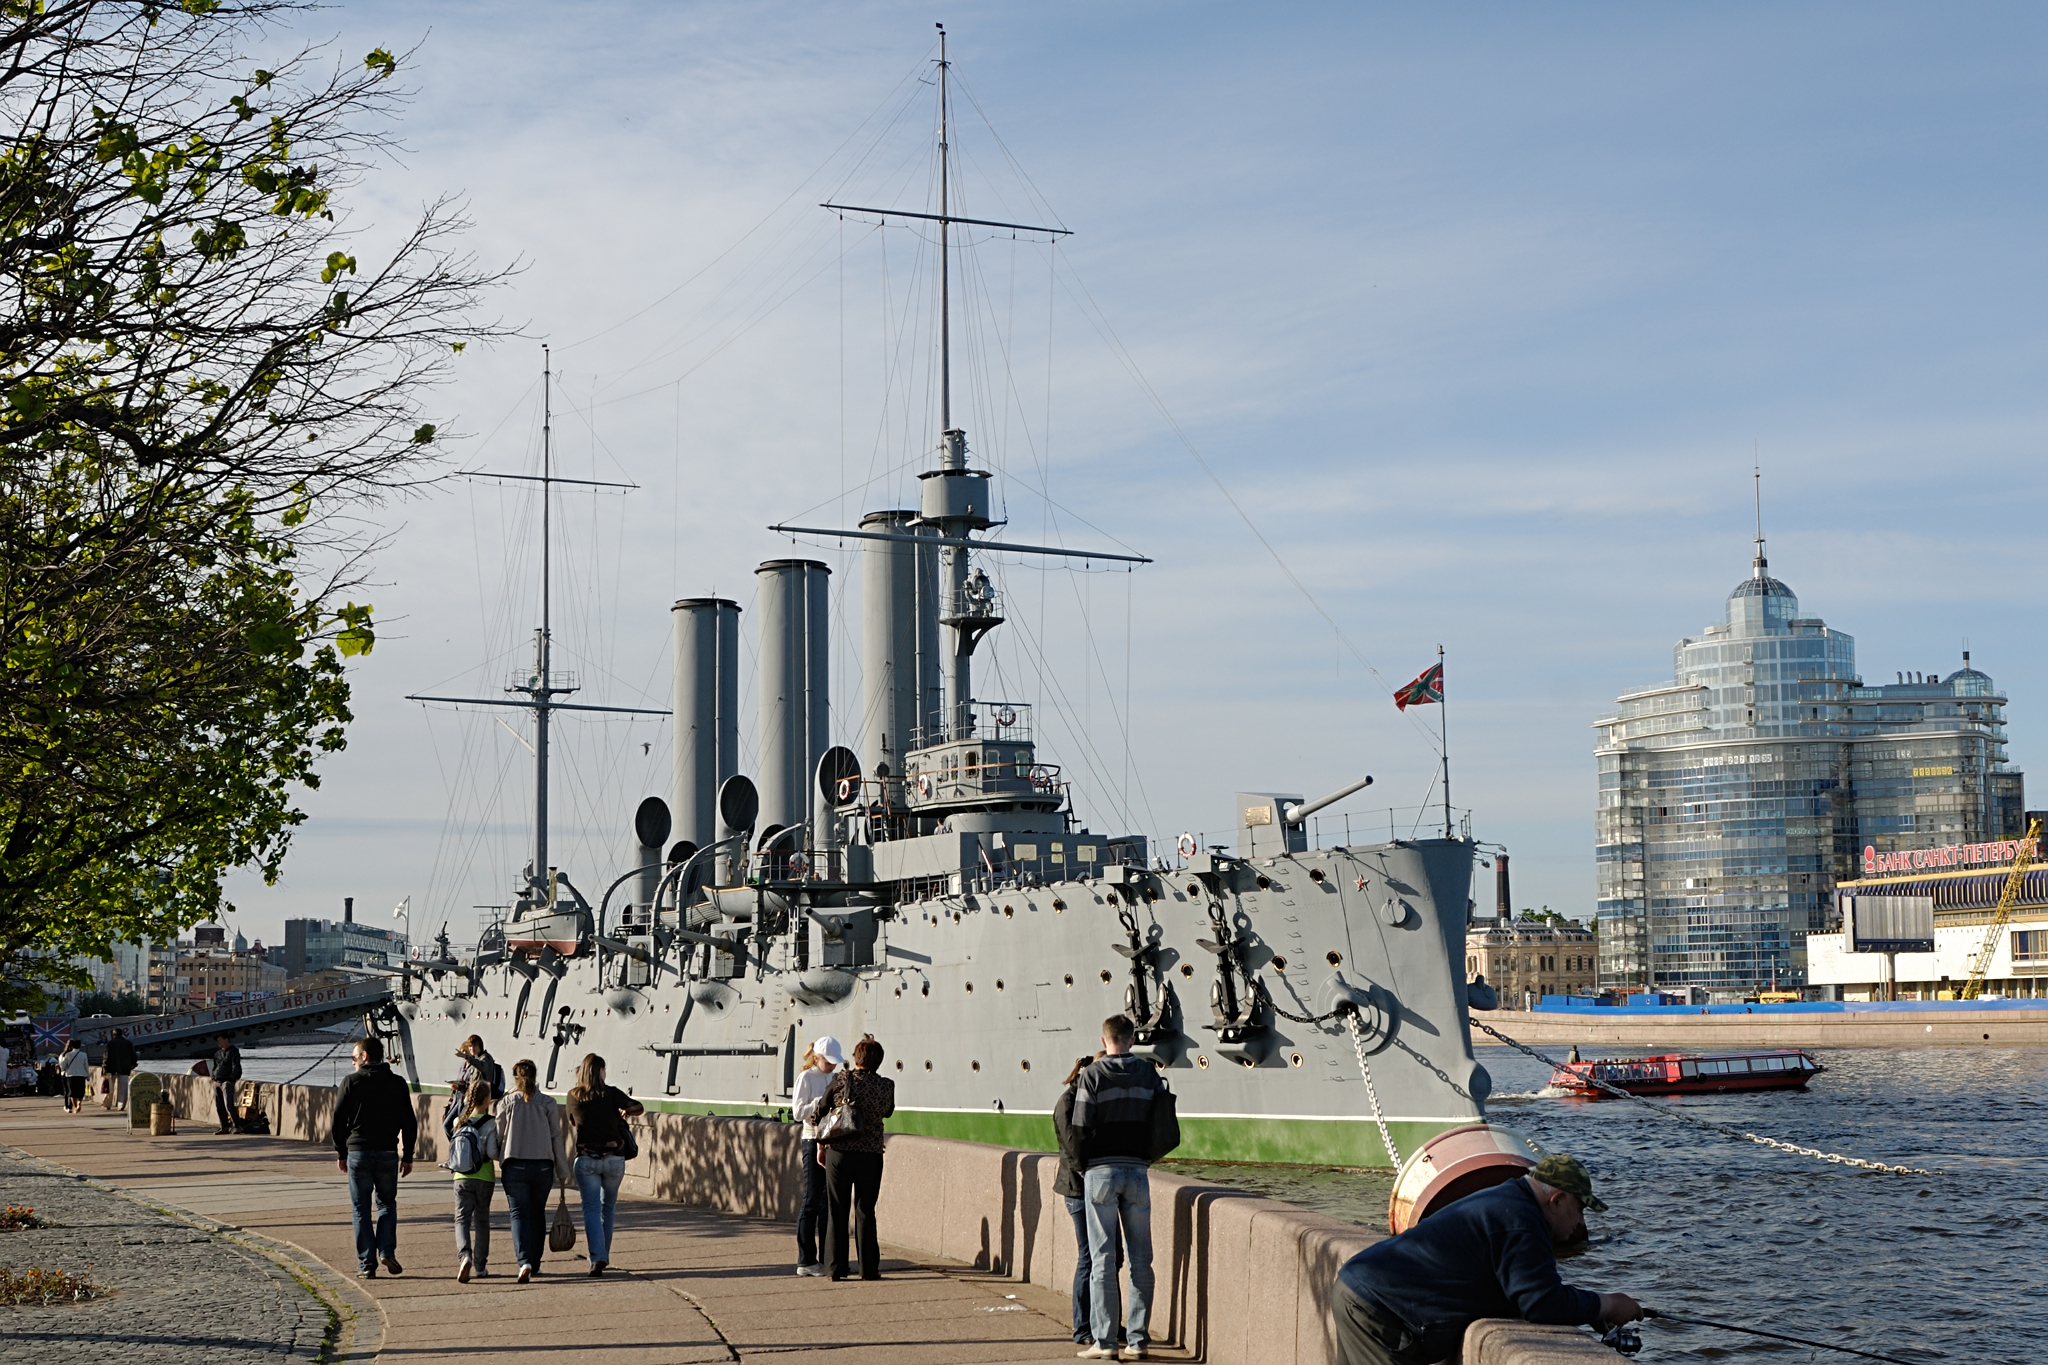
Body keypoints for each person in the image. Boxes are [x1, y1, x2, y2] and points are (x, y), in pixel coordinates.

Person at [1330, 1154, 1643, 1365]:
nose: (1580, 1224)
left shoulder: (1507, 1200)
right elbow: (1542, 1303)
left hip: (1364, 1292)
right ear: (1557, 1200)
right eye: (1580, 1210)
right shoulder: (1521, 1220)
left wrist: (1588, 1311)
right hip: (1378, 1310)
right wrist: (1609, 1304)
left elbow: (1519, 1292)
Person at [1069, 1013, 1164, 1362]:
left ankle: (1106, 1342)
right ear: (1133, 1039)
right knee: (1142, 1260)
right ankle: (1138, 1341)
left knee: (1103, 1260)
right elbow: (1160, 1120)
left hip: (1101, 1171)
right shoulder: (1148, 1072)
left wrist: (1084, 1166)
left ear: (1103, 1040)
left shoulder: (1092, 1075)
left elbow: (1079, 1128)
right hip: (1137, 1170)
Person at [330, 1036, 418, 1279]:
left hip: (358, 1153)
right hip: (388, 1153)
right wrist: (408, 1154)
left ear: (365, 1056)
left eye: (355, 1057)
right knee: (387, 1204)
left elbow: (338, 1122)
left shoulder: (351, 1082)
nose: (353, 1062)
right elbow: (409, 1122)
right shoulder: (398, 1083)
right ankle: (386, 1250)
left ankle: (367, 1264)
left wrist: (341, 1152)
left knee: (360, 1209)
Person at [1053, 1054, 1124, 1349]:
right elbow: (1076, 1152)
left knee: (1113, 1257)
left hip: (1098, 1188)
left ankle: (1109, 1323)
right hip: (1080, 1191)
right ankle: (1083, 1327)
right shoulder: (1068, 1103)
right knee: (1090, 1258)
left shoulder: (1092, 1098)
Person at [816, 1033, 894, 1281]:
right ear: (878, 1062)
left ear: (856, 1059)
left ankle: (835, 1269)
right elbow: (888, 1112)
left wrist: (821, 1146)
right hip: (871, 1155)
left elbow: (821, 1110)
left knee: (836, 1209)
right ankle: (869, 1269)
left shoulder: (842, 1079)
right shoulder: (887, 1085)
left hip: (839, 1153)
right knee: (865, 1210)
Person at [565, 1053, 643, 1276]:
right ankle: (602, 1255)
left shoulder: (573, 1096)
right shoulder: (611, 1093)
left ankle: (597, 1256)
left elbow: (572, 1121)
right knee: (607, 1208)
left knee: (591, 1209)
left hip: (587, 1158)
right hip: (613, 1159)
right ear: (599, 1071)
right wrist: (625, 1111)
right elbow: (638, 1107)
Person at [496, 1057, 570, 1283]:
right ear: (535, 1076)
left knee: (518, 1213)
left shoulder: (506, 1103)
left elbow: (498, 1135)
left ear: (515, 1077)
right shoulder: (547, 1103)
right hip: (542, 1166)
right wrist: (562, 1168)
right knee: (538, 1213)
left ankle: (524, 1260)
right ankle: (536, 1262)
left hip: (514, 1163)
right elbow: (556, 1137)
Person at [790, 1036, 842, 1277]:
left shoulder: (834, 1077)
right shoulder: (807, 1077)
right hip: (812, 1141)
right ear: (816, 1058)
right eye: (828, 1062)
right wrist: (820, 1102)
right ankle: (806, 1259)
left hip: (831, 1141)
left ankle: (826, 1257)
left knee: (827, 1204)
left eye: (835, 1063)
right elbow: (798, 1111)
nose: (832, 1066)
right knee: (811, 1200)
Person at [446, 1077, 502, 1282]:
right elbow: (493, 1153)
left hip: (461, 1177)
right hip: (484, 1177)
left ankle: (464, 1256)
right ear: (488, 1099)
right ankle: (480, 1265)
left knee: (461, 1219)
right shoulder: (491, 1123)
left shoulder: (458, 1121)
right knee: (482, 1221)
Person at [445, 1034, 502, 1139]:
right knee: (453, 1125)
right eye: (470, 1046)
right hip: (471, 1098)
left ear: (480, 1046)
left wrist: (466, 1057)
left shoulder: (486, 1058)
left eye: (474, 1046)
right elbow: (472, 1084)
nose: (472, 1049)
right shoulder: (476, 1060)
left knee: (460, 1125)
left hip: (480, 1101)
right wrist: (460, 1088)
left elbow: (483, 1067)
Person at [210, 1033, 244, 1134]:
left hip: (227, 1082)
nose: (218, 1042)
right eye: (217, 1041)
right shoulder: (217, 1054)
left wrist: (231, 1079)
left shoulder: (233, 1052)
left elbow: (237, 1067)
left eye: (220, 1040)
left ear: (226, 1040)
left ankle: (237, 1126)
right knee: (219, 1106)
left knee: (229, 1105)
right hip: (217, 1081)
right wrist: (213, 1078)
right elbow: (214, 1067)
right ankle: (224, 1126)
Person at [102, 1028, 138, 1112]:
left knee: (110, 1087)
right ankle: (121, 1105)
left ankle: (107, 1104)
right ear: (122, 1034)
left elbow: (106, 1057)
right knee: (123, 1088)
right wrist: (133, 1064)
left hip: (111, 1068)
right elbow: (134, 1056)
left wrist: (104, 1067)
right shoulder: (128, 1043)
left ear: (113, 1034)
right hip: (125, 1068)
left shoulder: (110, 1043)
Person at [57, 1037, 89, 1114]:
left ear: (72, 1046)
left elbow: (63, 1066)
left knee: (72, 1092)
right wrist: (87, 1075)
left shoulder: (68, 1055)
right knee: (81, 1091)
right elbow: (86, 1065)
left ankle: (75, 1106)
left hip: (70, 1075)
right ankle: (79, 1102)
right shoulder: (84, 1054)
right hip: (81, 1074)